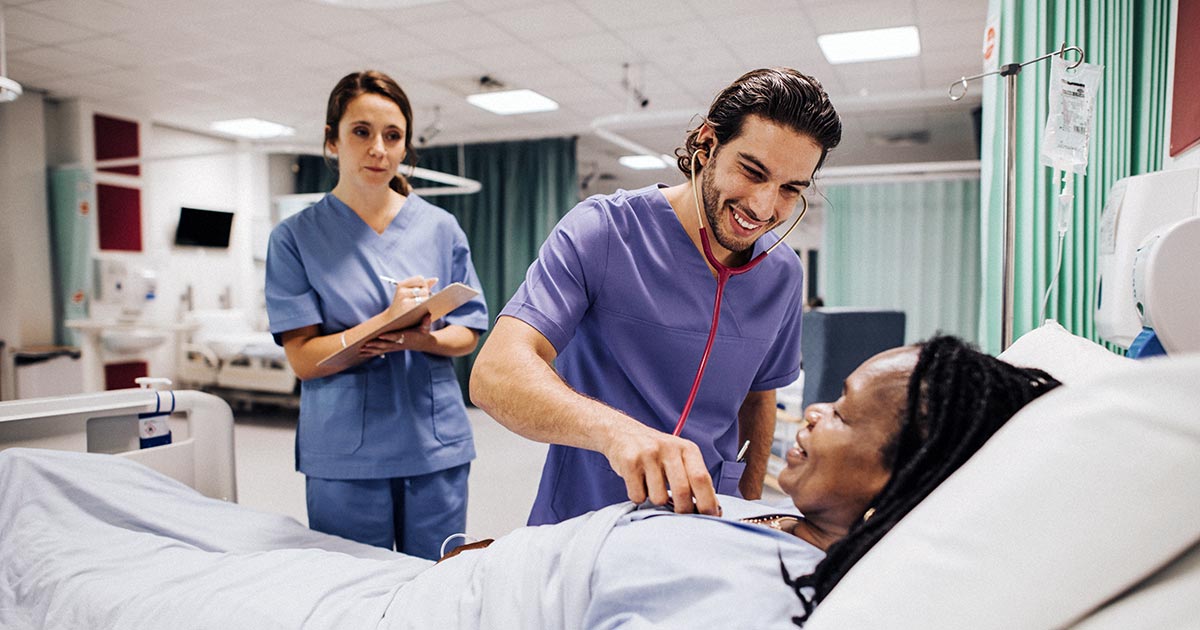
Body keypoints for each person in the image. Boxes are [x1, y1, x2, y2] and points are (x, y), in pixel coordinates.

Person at [0, 336, 1062, 628]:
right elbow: (503, 369)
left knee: (72, 542)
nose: (808, 412)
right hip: (427, 584)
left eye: (842, 415)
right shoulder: (777, 525)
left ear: (897, 480)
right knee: (133, 503)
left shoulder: (760, 603)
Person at [470, 67, 844, 525]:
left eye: (791, 189)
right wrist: (616, 433)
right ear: (707, 145)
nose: (764, 208)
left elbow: (758, 397)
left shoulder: (781, 274)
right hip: (586, 512)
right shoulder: (604, 231)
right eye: (752, 171)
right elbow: (494, 373)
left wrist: (748, 510)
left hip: (707, 520)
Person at [264, 70, 488, 560]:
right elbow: (302, 359)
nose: (378, 150)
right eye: (361, 132)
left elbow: (468, 331)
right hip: (345, 453)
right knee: (353, 592)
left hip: (433, 445)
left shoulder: (440, 228)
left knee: (438, 583)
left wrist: (421, 339)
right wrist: (381, 325)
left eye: (393, 136)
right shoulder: (295, 238)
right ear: (331, 140)